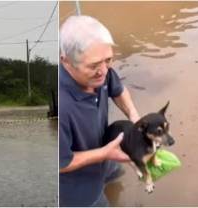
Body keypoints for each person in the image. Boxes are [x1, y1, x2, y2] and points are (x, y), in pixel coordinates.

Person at [59, 15, 140, 207]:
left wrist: (135, 117)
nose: (104, 71)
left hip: (107, 153)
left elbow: (118, 90)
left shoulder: (102, 71)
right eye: (94, 65)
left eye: (108, 60)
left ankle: (110, 180)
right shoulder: (62, 107)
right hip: (77, 186)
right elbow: (61, 163)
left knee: (115, 179)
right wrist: (105, 153)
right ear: (66, 61)